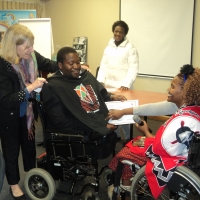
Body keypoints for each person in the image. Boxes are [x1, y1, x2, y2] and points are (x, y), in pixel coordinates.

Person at [107, 65, 200, 199]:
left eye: (172, 87)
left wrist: (146, 132)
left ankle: (125, 191)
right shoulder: (193, 108)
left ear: (185, 91)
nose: (168, 89)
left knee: (125, 152)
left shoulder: (181, 121)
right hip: (185, 155)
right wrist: (124, 111)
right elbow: (153, 108)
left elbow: (159, 149)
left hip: (170, 159)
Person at [0, 24, 59, 200]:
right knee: (11, 151)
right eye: (27, 47)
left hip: (27, 113)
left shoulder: (31, 55)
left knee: (28, 145)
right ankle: (13, 185)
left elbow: (50, 63)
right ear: (13, 46)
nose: (31, 50)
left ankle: (31, 174)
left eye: (32, 45)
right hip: (9, 116)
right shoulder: (3, 66)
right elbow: (6, 100)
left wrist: (69, 65)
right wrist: (31, 87)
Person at [42, 47, 127, 158]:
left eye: (78, 62)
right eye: (71, 63)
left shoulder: (84, 76)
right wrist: (99, 126)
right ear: (60, 65)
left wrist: (111, 97)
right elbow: (61, 121)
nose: (76, 66)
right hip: (75, 129)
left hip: (92, 120)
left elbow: (97, 92)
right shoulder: (54, 86)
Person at [97, 20, 139, 141]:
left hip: (122, 87)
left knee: (123, 113)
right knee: (110, 112)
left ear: (125, 33)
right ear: (113, 31)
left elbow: (133, 68)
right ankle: (115, 135)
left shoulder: (130, 48)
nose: (118, 33)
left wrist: (126, 84)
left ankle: (126, 137)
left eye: (121, 32)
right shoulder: (108, 48)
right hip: (109, 85)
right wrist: (100, 81)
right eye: (116, 31)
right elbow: (103, 65)